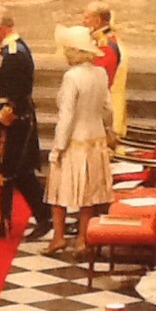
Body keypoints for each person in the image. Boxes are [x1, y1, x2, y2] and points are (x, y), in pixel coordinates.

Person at [0, 6, 52, 241]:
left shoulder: (14, 53)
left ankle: (4, 222)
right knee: (19, 172)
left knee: (6, 172)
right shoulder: (11, 50)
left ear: (0, 28)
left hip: (13, 122)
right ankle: (38, 215)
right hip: (14, 119)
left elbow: (18, 96)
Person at [42, 24, 114, 259]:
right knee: (88, 194)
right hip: (95, 139)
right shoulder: (101, 73)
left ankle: (58, 237)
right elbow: (107, 109)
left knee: (57, 192)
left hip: (73, 140)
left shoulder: (72, 77)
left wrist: (58, 147)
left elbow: (67, 115)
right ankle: (83, 239)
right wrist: (108, 130)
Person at [83, 0, 128, 137]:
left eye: (86, 17)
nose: (83, 21)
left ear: (97, 21)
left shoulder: (106, 47)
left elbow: (99, 82)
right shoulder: (108, 39)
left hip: (108, 114)